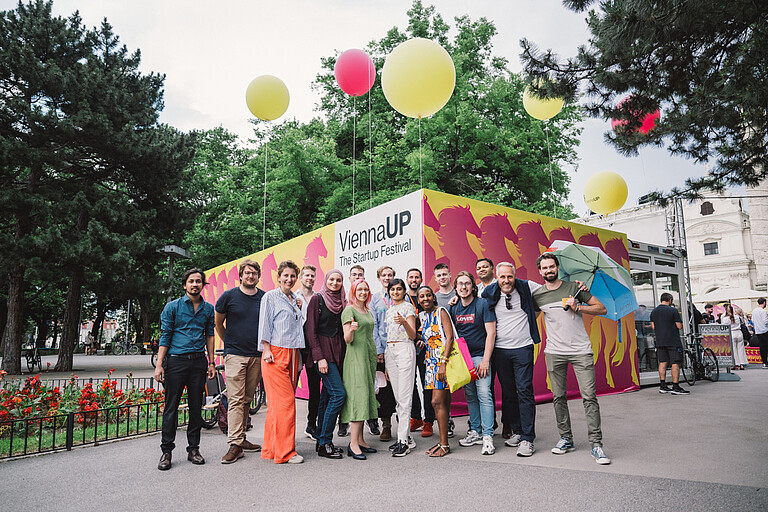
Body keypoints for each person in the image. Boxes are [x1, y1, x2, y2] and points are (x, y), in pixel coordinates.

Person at [533, 253, 612, 465]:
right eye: (545, 268)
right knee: (558, 397)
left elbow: (601, 308)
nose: (549, 270)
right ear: (540, 271)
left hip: (580, 351)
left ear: (557, 267)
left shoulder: (574, 289)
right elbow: (527, 316)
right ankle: (566, 438)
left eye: (551, 267)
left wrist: (579, 306)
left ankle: (596, 444)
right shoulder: (538, 295)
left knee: (589, 397)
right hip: (554, 352)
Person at [155, 268, 216, 471]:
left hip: (198, 362)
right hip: (176, 362)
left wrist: (211, 362)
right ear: (184, 285)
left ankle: (194, 449)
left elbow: (210, 335)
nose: (195, 284)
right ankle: (166, 452)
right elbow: (165, 336)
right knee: (171, 407)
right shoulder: (172, 307)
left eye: (198, 281)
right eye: (191, 281)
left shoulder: (208, 309)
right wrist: (159, 365)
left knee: (196, 408)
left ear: (202, 285)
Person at [481, 262, 541, 457]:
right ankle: (517, 430)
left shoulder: (527, 286)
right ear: (496, 277)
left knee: (524, 390)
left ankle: (528, 438)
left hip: (523, 348)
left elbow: (550, 290)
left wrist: (576, 286)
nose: (506, 280)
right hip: (500, 350)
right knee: (508, 393)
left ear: (514, 276)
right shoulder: (489, 291)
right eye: (502, 277)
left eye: (509, 276)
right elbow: (474, 301)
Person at [215, 259, 264, 464]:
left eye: (254, 273)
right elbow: (218, 322)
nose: (250, 276)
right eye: (247, 273)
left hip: (257, 355)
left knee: (246, 399)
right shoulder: (229, 296)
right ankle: (234, 444)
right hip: (235, 354)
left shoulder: (264, 297)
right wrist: (230, 344)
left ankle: (241, 439)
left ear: (258, 276)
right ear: (241, 275)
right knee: (235, 398)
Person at [258, 260, 306, 464]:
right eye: (286, 275)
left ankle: (270, 449)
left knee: (277, 406)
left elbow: (297, 327)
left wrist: (300, 308)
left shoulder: (295, 298)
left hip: (294, 352)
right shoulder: (270, 297)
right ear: (278, 277)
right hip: (275, 352)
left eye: (293, 276)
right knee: (286, 404)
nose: (289, 279)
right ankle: (286, 453)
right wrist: (267, 349)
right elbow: (264, 325)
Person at [450, 271, 496, 455]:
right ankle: (475, 431)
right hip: (463, 359)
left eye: (467, 283)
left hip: (480, 357)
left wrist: (486, 360)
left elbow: (491, 333)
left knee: (484, 394)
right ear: (456, 288)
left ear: (472, 286)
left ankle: (488, 436)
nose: (463, 287)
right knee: (470, 395)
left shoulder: (482, 304)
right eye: (460, 284)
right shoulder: (453, 307)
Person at [306, 270, 347, 460]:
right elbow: (311, 330)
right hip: (323, 355)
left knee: (326, 398)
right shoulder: (317, 299)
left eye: (338, 280)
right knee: (339, 394)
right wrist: (319, 357)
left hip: (338, 354)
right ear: (326, 280)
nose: (335, 282)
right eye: (331, 279)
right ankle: (325, 442)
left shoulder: (343, 301)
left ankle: (321, 442)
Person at [413, 285, 455, 457]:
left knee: (437, 402)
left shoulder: (441, 312)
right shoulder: (421, 316)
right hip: (429, 362)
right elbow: (419, 334)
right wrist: (420, 339)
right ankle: (443, 441)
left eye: (428, 295)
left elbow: (450, 336)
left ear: (433, 297)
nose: (425, 299)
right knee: (440, 403)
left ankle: (444, 444)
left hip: (442, 361)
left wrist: (443, 362)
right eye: (421, 296)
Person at [340, 279, 379, 460]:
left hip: (368, 357)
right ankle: (353, 444)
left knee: (366, 396)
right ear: (353, 291)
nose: (363, 292)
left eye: (365, 289)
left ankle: (361, 440)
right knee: (359, 397)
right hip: (356, 359)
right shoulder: (349, 310)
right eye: (359, 289)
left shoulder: (368, 310)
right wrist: (352, 330)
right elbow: (347, 339)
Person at [384, 278, 418, 457]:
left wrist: (404, 321)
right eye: (393, 289)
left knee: (405, 398)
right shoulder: (389, 310)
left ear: (404, 291)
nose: (395, 292)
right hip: (390, 351)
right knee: (398, 398)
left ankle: (402, 441)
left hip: (405, 349)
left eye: (399, 289)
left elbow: (413, 335)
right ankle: (407, 437)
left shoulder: (408, 308)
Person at [405, 268, 435, 438]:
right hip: (408, 346)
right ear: (407, 279)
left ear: (421, 279)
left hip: (425, 348)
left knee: (426, 383)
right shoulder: (404, 299)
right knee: (410, 384)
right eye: (411, 277)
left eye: (417, 277)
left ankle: (428, 420)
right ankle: (415, 416)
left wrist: (423, 337)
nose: (414, 279)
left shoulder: (426, 299)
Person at [370, 265, 397, 442]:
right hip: (382, 350)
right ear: (379, 278)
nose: (387, 278)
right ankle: (386, 425)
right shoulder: (375, 299)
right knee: (385, 390)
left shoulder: (399, 295)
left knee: (401, 388)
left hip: (399, 349)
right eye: (384, 275)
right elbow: (373, 326)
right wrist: (379, 350)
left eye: (390, 275)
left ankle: (403, 426)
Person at [650, 293, 690, 396]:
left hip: (660, 341)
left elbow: (653, 327)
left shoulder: (653, 312)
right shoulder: (673, 310)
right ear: (670, 300)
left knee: (663, 362)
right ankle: (675, 386)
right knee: (675, 363)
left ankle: (663, 386)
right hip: (672, 340)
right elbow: (679, 326)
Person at [297, 265, 321, 441]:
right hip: (296, 348)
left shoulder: (319, 298)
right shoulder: (291, 297)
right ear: (301, 277)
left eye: (312, 276)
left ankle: (311, 425)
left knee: (314, 388)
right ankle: (286, 427)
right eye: (306, 275)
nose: (310, 278)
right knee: (289, 387)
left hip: (312, 347)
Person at [721, 304, 748, 370]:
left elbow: (723, 327)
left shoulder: (725, 318)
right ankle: (742, 364)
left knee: (734, 350)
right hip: (739, 332)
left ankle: (736, 364)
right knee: (741, 349)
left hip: (732, 333)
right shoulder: (737, 317)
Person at [750, 298, 768, 368]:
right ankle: (766, 362)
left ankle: (764, 362)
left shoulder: (754, 311)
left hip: (758, 331)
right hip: (764, 330)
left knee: (762, 347)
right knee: (766, 346)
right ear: (764, 302)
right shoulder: (763, 311)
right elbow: (765, 321)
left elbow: (753, 320)